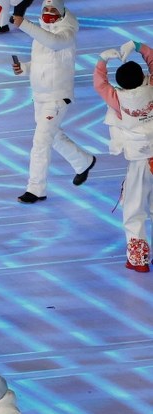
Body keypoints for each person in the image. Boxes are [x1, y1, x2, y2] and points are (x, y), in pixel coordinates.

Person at [12, 0, 95, 204]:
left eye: (53, 10)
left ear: (62, 12)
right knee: (53, 136)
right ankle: (83, 161)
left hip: (57, 97)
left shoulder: (67, 32)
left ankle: (36, 189)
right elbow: (44, 60)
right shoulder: (42, 31)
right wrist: (24, 68)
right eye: (45, 10)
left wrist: (23, 23)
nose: (48, 13)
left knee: (41, 142)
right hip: (39, 96)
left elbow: (54, 43)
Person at [93, 40, 153, 272]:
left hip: (141, 162)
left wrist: (102, 60)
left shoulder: (118, 99)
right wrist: (139, 47)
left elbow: (99, 84)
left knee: (134, 209)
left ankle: (138, 260)